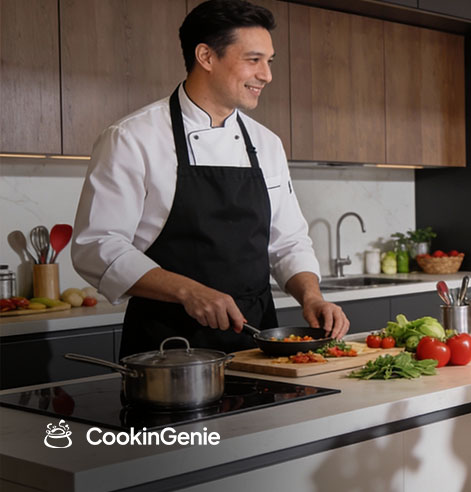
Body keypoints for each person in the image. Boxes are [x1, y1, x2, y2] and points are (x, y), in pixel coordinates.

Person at [71, 0, 348, 357]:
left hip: (257, 342)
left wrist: (312, 296)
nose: (267, 75)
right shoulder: (132, 137)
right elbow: (97, 246)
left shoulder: (266, 143)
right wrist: (188, 291)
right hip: (169, 348)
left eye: (269, 61)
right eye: (254, 60)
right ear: (205, 56)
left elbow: (288, 242)